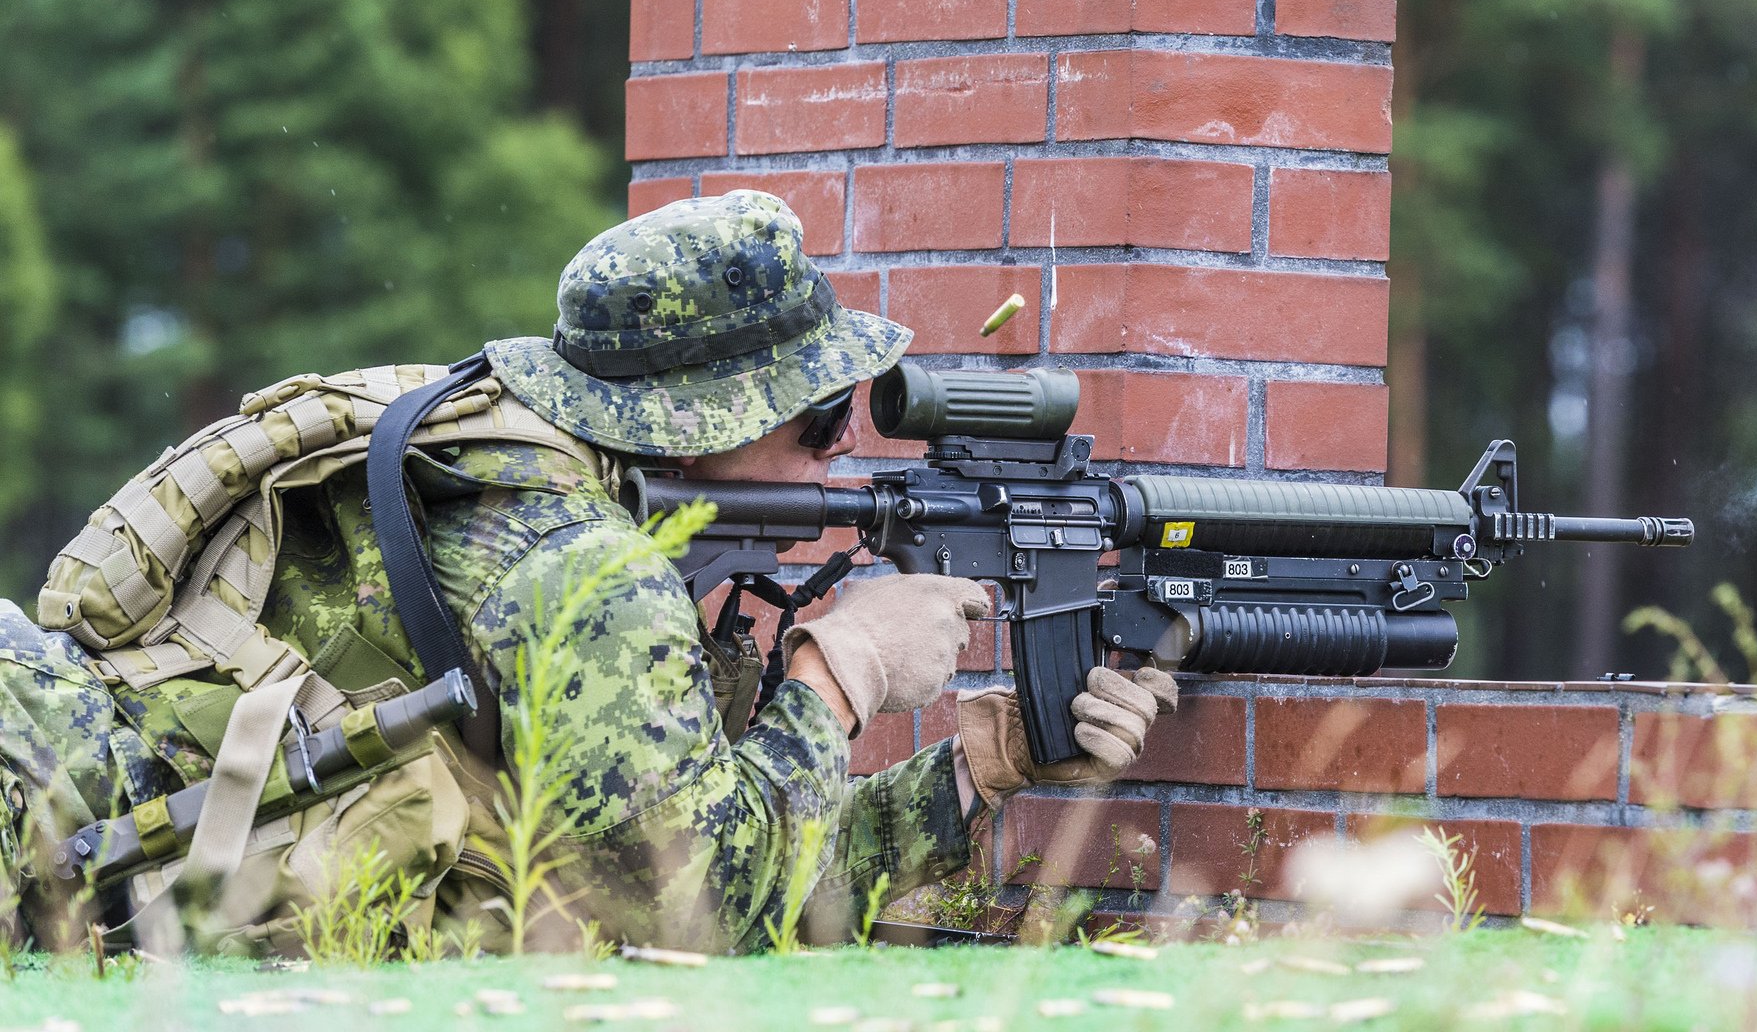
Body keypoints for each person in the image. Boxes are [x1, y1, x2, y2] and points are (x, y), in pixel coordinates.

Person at [0, 189, 1177, 954]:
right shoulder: (582, 566)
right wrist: (847, 664)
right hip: (47, 829)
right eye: (818, 418)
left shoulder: (507, 455)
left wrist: (979, 766)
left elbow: (644, 863)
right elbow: (697, 902)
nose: (843, 448)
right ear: (701, 419)